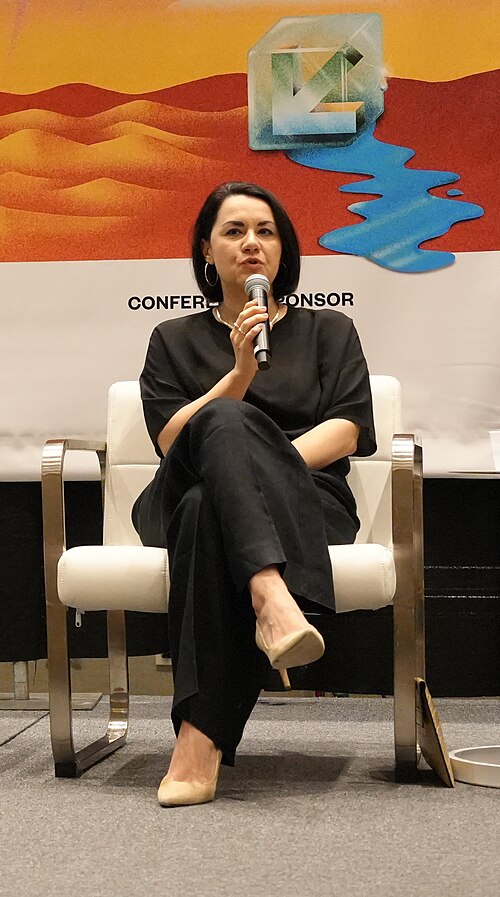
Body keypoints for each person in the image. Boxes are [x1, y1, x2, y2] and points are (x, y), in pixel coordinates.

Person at [132, 181, 376, 807]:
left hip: (304, 499)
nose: (251, 244)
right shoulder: (172, 338)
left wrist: (257, 471)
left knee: (207, 510)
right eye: (234, 231)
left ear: (283, 249)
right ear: (206, 250)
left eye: (265, 232)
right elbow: (171, 440)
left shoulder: (328, 331)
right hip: (179, 488)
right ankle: (272, 599)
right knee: (220, 421)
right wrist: (240, 375)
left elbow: (348, 428)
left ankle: (197, 742)